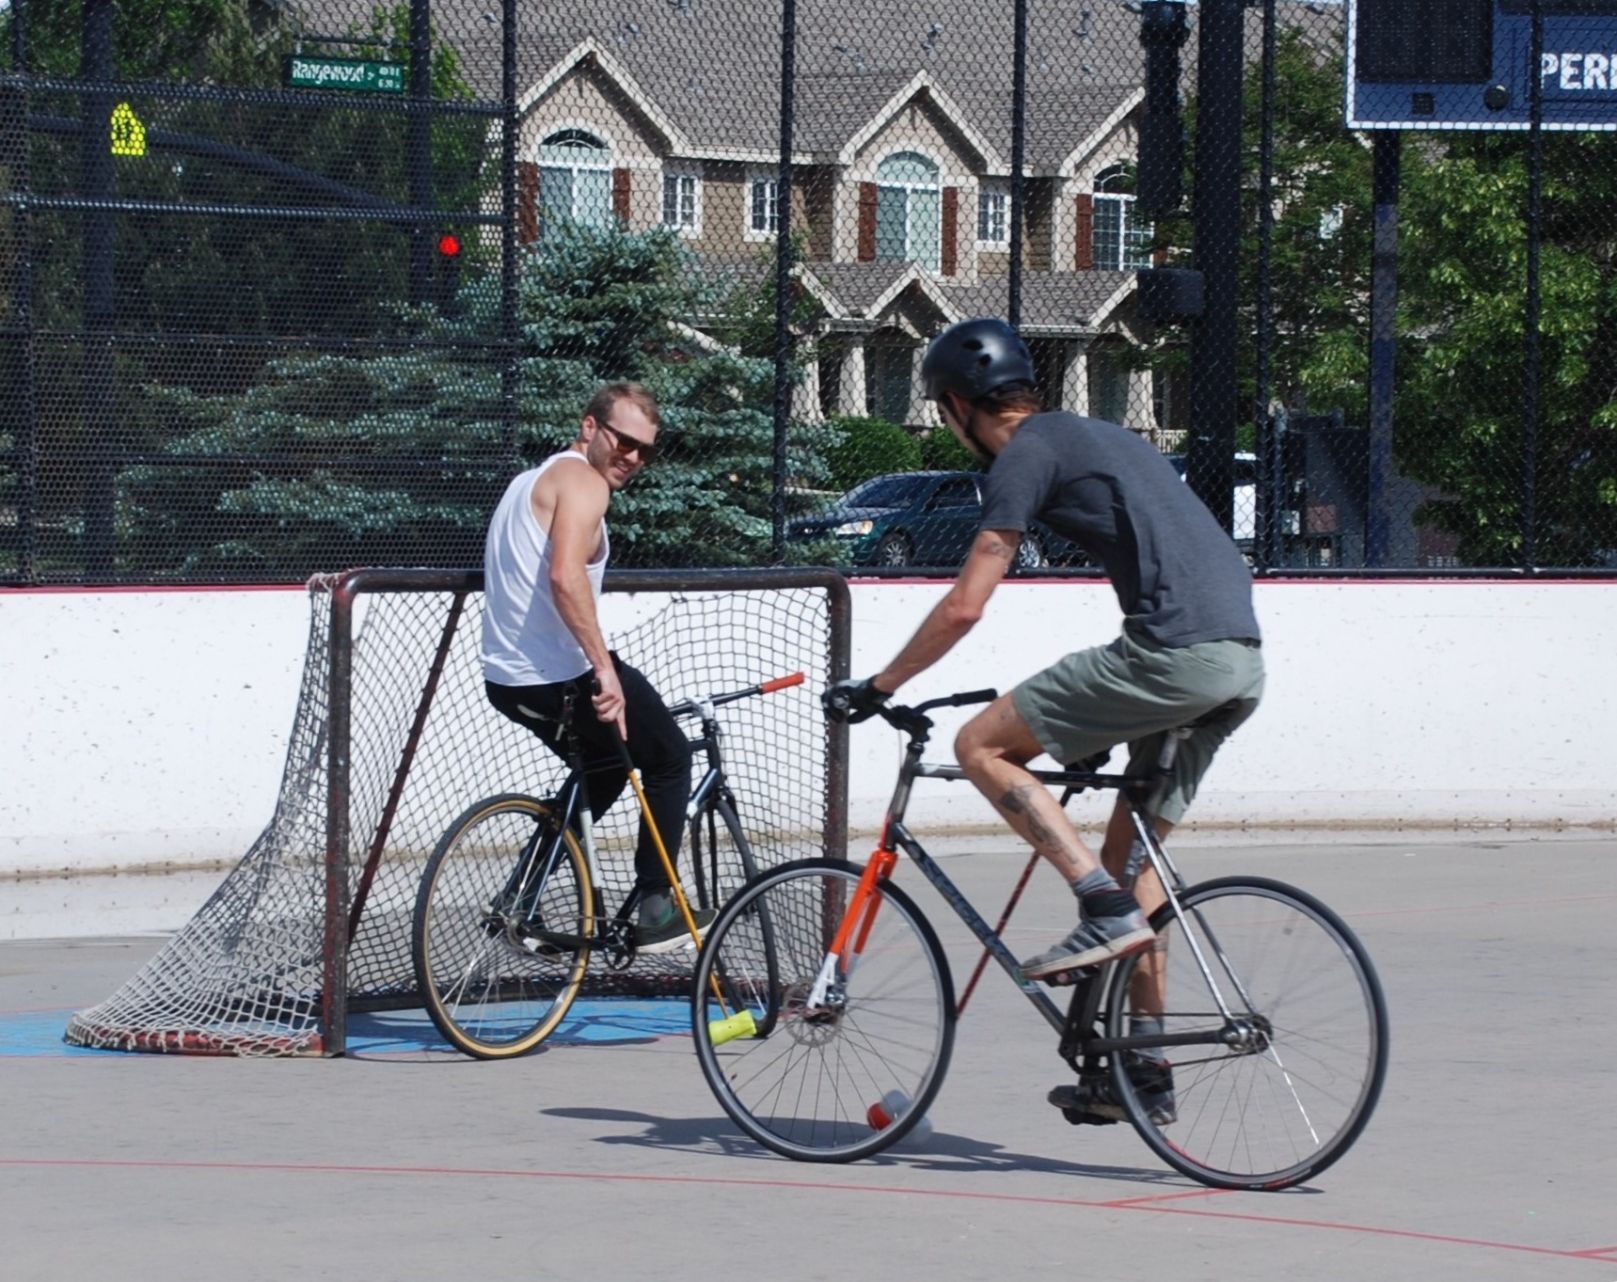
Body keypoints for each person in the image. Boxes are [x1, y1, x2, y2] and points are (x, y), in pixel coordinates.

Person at [824, 317, 1264, 1118]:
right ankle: (1144, 1076)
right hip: (1238, 662)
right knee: (1136, 880)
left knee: (980, 744)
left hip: (1170, 654)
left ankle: (1097, 908)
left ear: (958, 406)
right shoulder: (1095, 434)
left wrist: (878, 687)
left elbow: (965, 606)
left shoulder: (1022, 453)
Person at [480, 381, 711, 953]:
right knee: (670, 758)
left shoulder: (529, 482)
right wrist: (603, 669)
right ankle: (658, 907)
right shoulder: (583, 482)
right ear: (589, 427)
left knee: (607, 766)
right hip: (557, 674)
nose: (632, 458)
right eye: (622, 441)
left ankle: (520, 899)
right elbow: (564, 576)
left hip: (506, 680)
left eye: (646, 451)